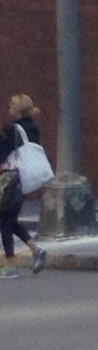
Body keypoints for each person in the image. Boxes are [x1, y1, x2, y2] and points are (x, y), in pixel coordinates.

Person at [0, 94, 47, 277]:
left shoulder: (13, 130)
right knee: (9, 220)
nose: (8, 108)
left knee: (4, 222)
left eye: (11, 105)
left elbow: (3, 153)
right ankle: (36, 250)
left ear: (18, 110)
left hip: (8, 181)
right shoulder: (32, 128)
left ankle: (11, 266)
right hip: (20, 180)